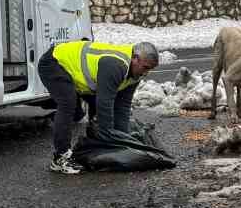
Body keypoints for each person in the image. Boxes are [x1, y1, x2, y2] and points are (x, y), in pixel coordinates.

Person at [37, 40, 159, 174]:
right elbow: (105, 104)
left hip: (74, 73)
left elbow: (122, 107)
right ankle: (60, 158)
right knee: (68, 104)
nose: (146, 73)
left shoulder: (136, 74)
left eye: (150, 69)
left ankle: (95, 148)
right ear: (135, 58)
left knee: (96, 109)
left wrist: (123, 142)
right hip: (54, 62)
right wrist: (108, 139)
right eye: (145, 67)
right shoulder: (116, 65)